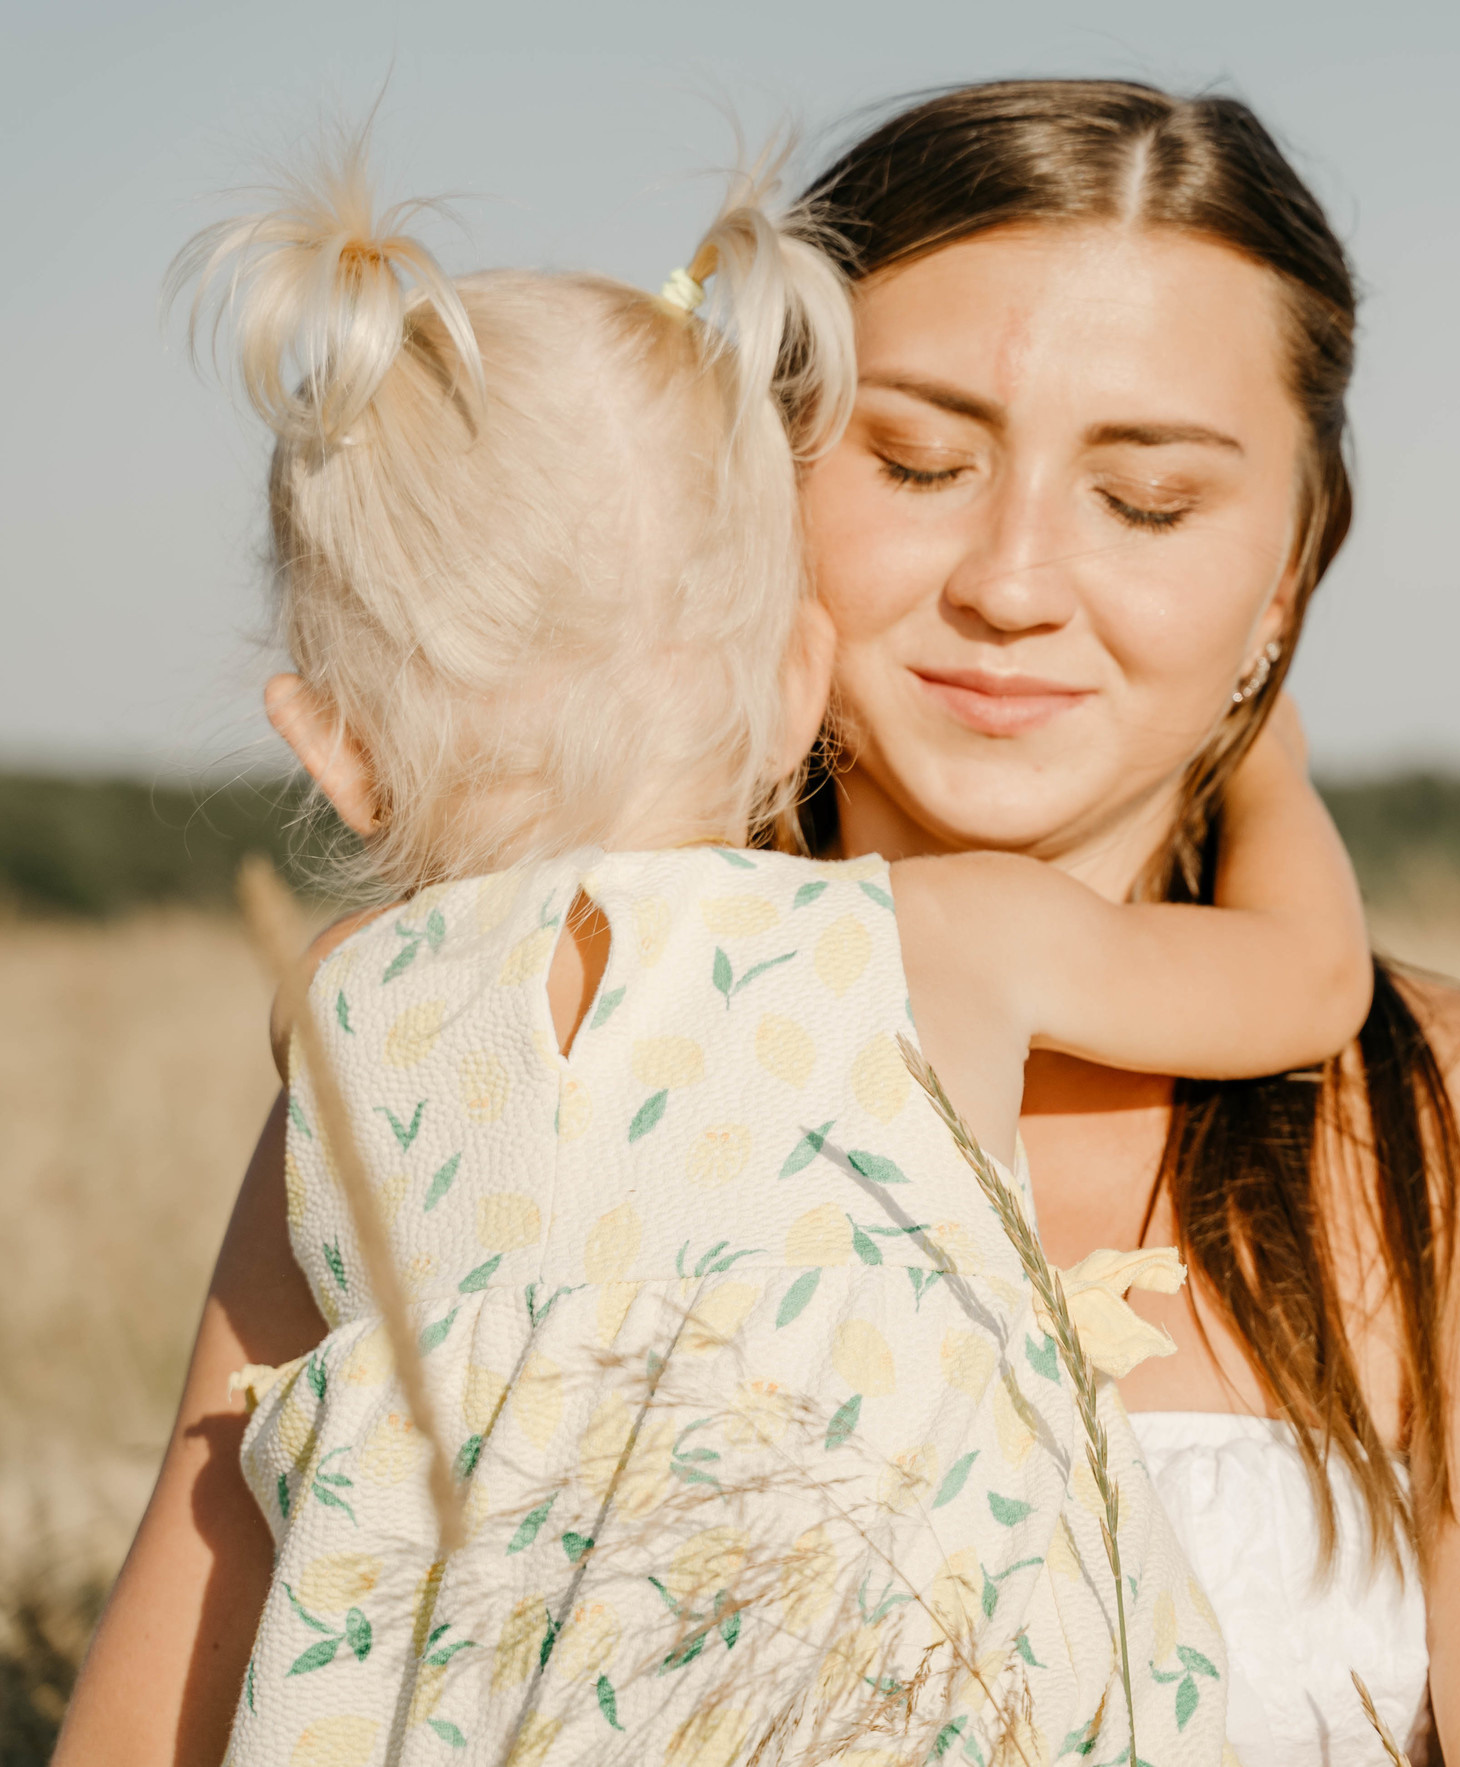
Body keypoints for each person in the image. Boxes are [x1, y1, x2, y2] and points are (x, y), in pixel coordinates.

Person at [54, 127, 1381, 1767]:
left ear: (330, 745)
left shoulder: (346, 1003)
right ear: (793, 674)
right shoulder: (926, 944)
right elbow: (1309, 983)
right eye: (916, 464)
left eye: (1145, 500)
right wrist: (1273, 773)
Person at [790, 79, 1460, 1765]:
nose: (1011, 582)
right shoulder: (485, 1049)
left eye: (1147, 501)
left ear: (1288, 574)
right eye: (919, 462)